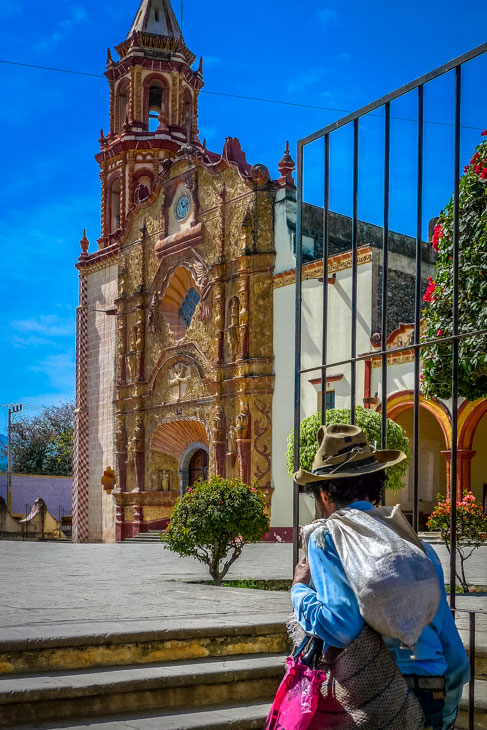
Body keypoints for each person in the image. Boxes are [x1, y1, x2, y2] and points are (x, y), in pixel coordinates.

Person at [292, 423, 469, 730]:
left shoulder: (327, 537)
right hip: (433, 688)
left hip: (375, 692)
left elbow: (341, 626)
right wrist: (446, 713)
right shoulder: (414, 544)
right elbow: (453, 652)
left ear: (322, 493)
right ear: (373, 485)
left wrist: (299, 591)